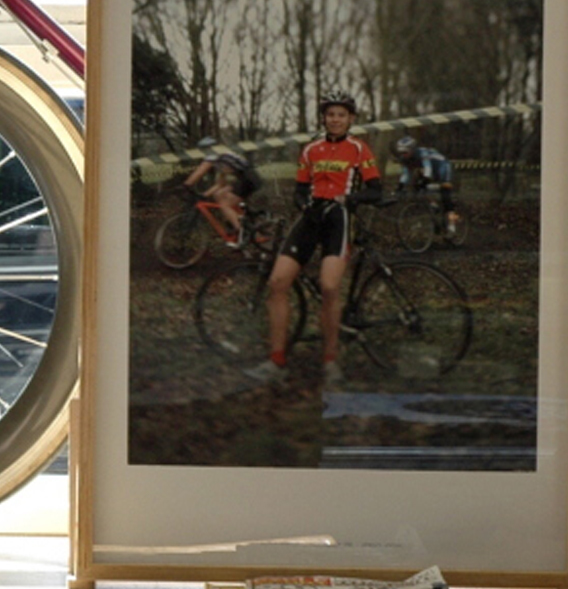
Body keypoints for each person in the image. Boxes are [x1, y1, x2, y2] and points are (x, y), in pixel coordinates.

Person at [263, 93, 381, 381]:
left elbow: (376, 191)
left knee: (329, 287)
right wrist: (304, 205)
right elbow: (300, 190)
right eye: (331, 115)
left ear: (351, 119)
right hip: (311, 217)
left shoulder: (359, 148)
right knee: (277, 282)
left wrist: (349, 198)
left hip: (339, 219)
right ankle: (276, 360)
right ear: (324, 118)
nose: (336, 119)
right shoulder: (310, 150)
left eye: (341, 115)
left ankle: (330, 359)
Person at [180, 136, 262, 243]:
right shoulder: (223, 157)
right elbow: (220, 183)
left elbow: (200, 172)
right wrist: (204, 195)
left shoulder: (213, 154)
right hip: (248, 179)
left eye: (203, 150)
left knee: (225, 204)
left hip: (248, 179)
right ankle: (237, 221)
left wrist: (186, 185)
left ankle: (243, 232)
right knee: (219, 195)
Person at [392, 131, 462, 241]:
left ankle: (452, 228)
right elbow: (406, 174)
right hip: (431, 170)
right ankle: (433, 206)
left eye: (405, 152)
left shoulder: (422, 153)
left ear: (413, 149)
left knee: (445, 196)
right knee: (419, 189)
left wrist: (425, 181)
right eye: (401, 152)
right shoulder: (405, 159)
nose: (403, 155)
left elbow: (428, 169)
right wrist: (400, 187)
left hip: (442, 166)